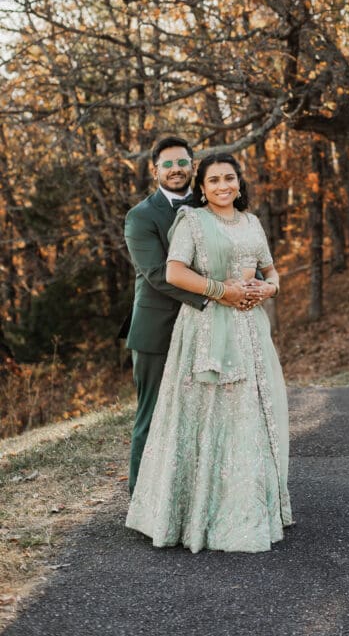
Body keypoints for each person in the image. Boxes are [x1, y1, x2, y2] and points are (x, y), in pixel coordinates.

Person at [125, 152, 292, 553]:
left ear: (239, 183)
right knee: (203, 415)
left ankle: (246, 508)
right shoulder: (192, 221)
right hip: (204, 326)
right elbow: (174, 272)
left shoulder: (252, 222)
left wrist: (267, 289)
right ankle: (192, 511)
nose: (222, 186)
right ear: (201, 187)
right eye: (214, 180)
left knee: (246, 416)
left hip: (250, 330)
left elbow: (271, 271)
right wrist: (223, 292)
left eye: (229, 178)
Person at [123, 135, 234, 494]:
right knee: (153, 415)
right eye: (167, 164)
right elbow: (156, 275)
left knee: (200, 413)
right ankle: (140, 497)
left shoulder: (211, 208)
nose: (176, 169)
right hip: (158, 329)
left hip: (206, 327)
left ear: (192, 165)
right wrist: (215, 296)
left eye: (182, 162)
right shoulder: (141, 217)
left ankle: (186, 496)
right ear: (155, 170)